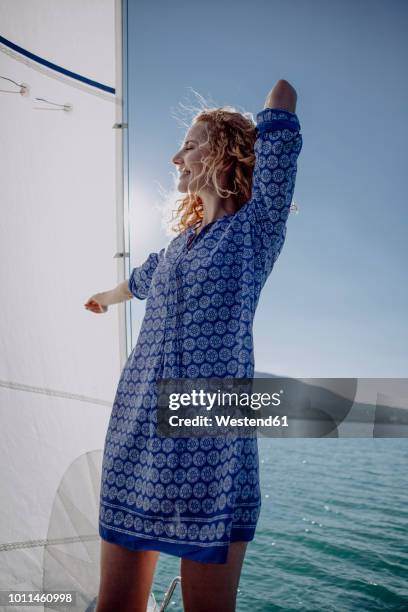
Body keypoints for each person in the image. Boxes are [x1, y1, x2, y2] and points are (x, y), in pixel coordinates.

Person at [85, 79, 302, 612]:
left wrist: (248, 124)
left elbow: (282, 98)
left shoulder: (256, 231)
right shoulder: (172, 250)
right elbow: (134, 281)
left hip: (211, 445)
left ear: (226, 153)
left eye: (191, 142)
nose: (175, 156)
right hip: (136, 432)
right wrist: (103, 298)